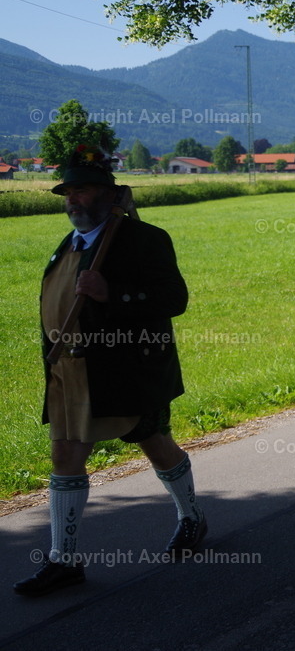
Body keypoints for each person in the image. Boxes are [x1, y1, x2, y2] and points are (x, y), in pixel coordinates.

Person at [15, 146, 204, 597]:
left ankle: (191, 517)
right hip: (70, 372)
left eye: (82, 190)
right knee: (65, 456)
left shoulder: (142, 239)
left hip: (125, 370)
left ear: (107, 194)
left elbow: (173, 300)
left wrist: (111, 294)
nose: (72, 200)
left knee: (156, 444)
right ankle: (65, 560)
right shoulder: (71, 244)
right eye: (68, 192)